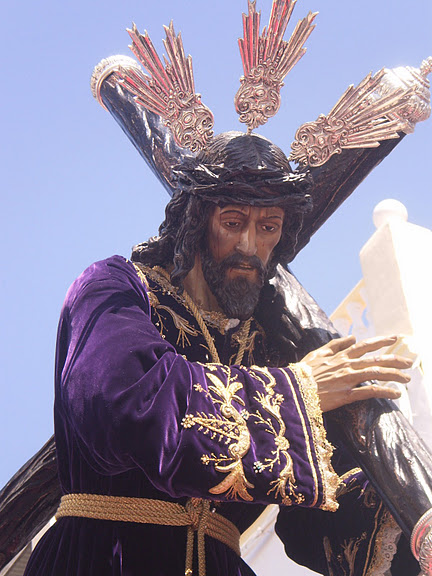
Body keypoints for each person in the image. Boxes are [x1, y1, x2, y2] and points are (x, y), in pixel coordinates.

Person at [23, 132, 417, 576]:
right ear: (197, 219)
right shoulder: (117, 286)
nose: (249, 245)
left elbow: (322, 515)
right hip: (104, 556)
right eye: (233, 222)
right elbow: (122, 403)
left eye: (268, 228)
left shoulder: (271, 347)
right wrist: (295, 390)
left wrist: (403, 521)